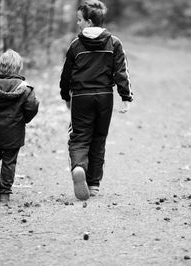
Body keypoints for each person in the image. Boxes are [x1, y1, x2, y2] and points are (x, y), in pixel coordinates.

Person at [60, 0, 133, 200]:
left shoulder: (76, 45)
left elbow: (66, 75)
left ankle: (78, 167)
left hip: (81, 97)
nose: (78, 24)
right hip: (104, 97)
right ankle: (93, 185)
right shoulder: (114, 43)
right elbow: (121, 71)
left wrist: (66, 96)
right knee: (99, 139)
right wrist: (125, 96)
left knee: (79, 136)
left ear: (90, 22)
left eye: (80, 20)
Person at [0, 49, 39, 203]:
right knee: (9, 160)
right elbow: (31, 107)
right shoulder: (25, 89)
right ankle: (4, 194)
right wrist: (24, 119)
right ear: (18, 67)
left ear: (0, 66)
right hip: (14, 131)